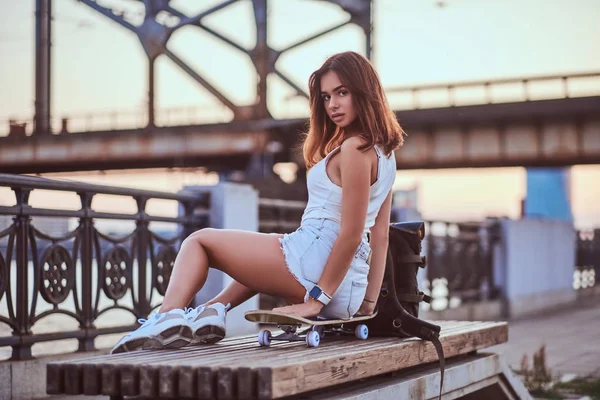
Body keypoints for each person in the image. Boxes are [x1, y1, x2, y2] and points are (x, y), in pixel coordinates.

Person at [111, 51, 404, 354]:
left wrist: (316, 301)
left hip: (319, 271)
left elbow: (352, 233)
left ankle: (166, 317)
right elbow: (380, 235)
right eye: (327, 96)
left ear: (364, 90)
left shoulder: (355, 148)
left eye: (342, 92)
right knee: (270, 246)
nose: (332, 105)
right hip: (345, 285)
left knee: (199, 241)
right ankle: (212, 310)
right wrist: (366, 304)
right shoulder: (386, 154)